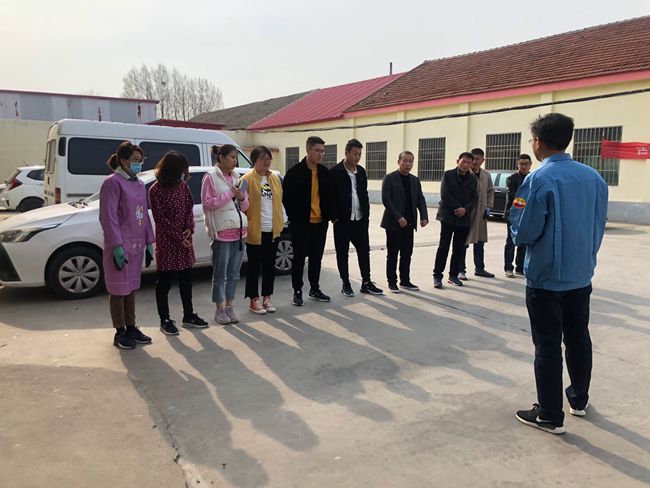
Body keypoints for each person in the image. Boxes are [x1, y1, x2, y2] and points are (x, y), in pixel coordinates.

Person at [511, 113, 608, 434]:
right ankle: (578, 399)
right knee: (578, 337)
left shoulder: (538, 179)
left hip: (546, 278)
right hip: (581, 275)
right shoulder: (594, 177)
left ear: (539, 142)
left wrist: (515, 228)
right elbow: (598, 224)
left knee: (548, 345)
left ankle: (550, 415)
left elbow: (524, 231)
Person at [99, 141, 154, 349]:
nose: (138, 164)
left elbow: (144, 215)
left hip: (136, 245)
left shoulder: (138, 184)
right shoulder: (112, 183)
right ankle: (120, 331)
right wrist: (116, 244)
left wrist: (149, 241)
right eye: (135, 161)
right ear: (123, 161)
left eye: (140, 161)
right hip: (120, 245)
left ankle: (131, 327)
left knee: (130, 289)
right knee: (118, 290)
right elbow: (108, 216)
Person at [149, 151, 208, 335]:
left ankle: (188, 315)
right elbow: (160, 220)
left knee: (186, 281)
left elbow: (189, 208)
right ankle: (165, 319)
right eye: (182, 170)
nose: (184, 173)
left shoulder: (183, 186)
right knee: (164, 283)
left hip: (185, 240)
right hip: (168, 243)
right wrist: (179, 237)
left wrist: (190, 228)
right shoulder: (155, 190)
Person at [201, 144, 249, 324]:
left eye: (236, 157)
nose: (235, 161)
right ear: (221, 157)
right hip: (221, 233)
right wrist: (230, 194)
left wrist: (242, 197)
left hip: (239, 231)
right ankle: (219, 308)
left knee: (234, 274)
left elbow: (245, 206)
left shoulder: (237, 177)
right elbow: (208, 203)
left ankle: (230, 306)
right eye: (232, 157)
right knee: (220, 275)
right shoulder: (210, 177)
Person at [282, 136, 332, 306]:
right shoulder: (294, 172)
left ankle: (314, 288)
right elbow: (286, 199)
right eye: (317, 150)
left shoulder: (324, 172)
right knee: (299, 259)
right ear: (308, 150)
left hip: (320, 223)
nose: (320, 154)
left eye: (322, 151)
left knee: (316, 258)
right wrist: (294, 218)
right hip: (301, 224)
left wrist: (330, 215)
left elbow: (329, 197)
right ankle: (297, 291)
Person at [330, 139, 383, 297]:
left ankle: (366, 282)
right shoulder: (335, 172)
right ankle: (345, 283)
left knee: (364, 251)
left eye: (359, 154)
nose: (357, 157)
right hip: (342, 221)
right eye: (354, 154)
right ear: (346, 153)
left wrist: (366, 215)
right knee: (342, 253)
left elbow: (364, 194)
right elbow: (329, 197)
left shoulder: (361, 171)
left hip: (360, 219)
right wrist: (334, 217)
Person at [240, 146, 284, 314]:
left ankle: (267, 297)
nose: (266, 161)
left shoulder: (275, 179)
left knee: (269, 267)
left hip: (273, 230)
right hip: (255, 230)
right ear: (254, 161)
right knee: (254, 267)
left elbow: (280, 202)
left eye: (268, 158)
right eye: (262, 158)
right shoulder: (246, 179)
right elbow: (240, 204)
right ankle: (253, 300)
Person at [380, 151, 428, 293]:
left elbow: (420, 199)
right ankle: (392, 282)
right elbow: (386, 200)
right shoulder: (389, 178)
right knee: (393, 254)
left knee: (407, 254)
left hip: (409, 223)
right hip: (394, 224)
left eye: (410, 161)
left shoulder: (414, 180)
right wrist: (398, 217)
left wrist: (424, 216)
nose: (408, 164)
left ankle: (405, 281)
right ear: (398, 162)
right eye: (405, 161)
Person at [432, 153, 478, 289]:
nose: (465, 165)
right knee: (443, 247)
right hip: (448, 216)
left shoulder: (473, 179)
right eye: (463, 162)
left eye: (468, 163)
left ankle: (453, 275)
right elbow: (445, 195)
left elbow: (474, 198)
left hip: (464, 219)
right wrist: (458, 207)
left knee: (458, 249)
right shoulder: (448, 175)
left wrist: (465, 209)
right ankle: (437, 276)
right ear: (458, 161)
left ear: (471, 164)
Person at [461, 147, 495, 279]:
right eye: (473, 159)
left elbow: (490, 191)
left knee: (480, 242)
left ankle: (480, 268)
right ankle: (461, 270)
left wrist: (489, 207)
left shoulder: (486, 175)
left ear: (483, 160)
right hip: (468, 213)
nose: (475, 162)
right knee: (463, 242)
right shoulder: (465, 173)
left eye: (478, 159)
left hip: (481, 214)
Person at [504, 154, 532, 278]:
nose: (524, 166)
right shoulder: (512, 179)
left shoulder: (533, 177)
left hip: (528, 214)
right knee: (511, 241)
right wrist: (528, 201)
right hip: (514, 214)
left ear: (530, 164)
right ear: (517, 164)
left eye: (526, 164)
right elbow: (513, 196)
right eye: (521, 164)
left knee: (523, 241)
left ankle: (520, 267)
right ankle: (508, 268)